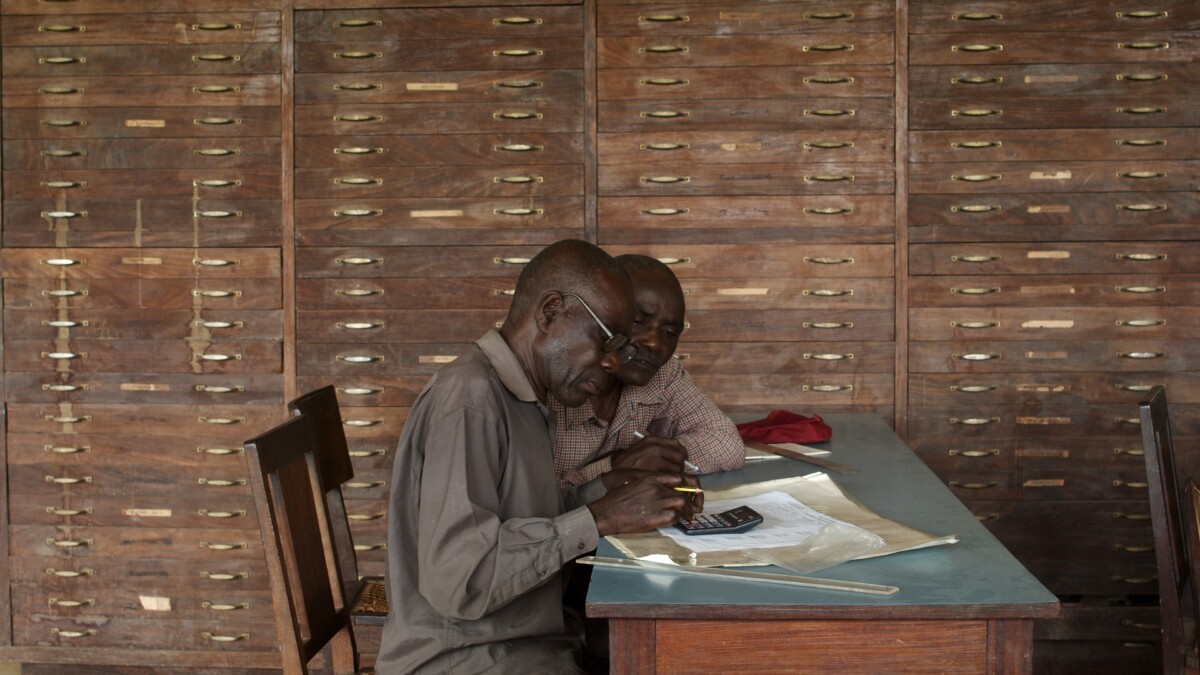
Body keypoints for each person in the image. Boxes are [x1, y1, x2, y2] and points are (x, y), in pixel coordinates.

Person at [376, 240, 700, 674]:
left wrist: (611, 485)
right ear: (550, 312)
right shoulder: (470, 399)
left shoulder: (527, 399)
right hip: (465, 658)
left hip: (529, 640)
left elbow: (518, 521)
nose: (611, 363)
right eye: (606, 341)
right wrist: (601, 517)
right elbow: (461, 580)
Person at [552, 254, 745, 487]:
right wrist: (617, 465)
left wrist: (650, 460)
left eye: (670, 333)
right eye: (637, 321)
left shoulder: (663, 374)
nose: (655, 343)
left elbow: (726, 444)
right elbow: (527, 502)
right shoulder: (551, 380)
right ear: (603, 314)